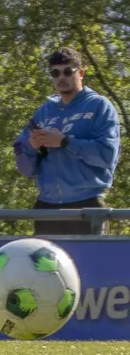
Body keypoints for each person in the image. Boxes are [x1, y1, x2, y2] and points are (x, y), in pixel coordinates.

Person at [14, 47, 121, 236]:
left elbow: (107, 155)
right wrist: (31, 147)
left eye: (67, 71)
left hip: (87, 205)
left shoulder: (99, 106)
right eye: (55, 73)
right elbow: (24, 167)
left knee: (90, 257)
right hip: (46, 207)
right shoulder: (44, 111)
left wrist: (65, 142)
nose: (61, 77)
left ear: (81, 73)